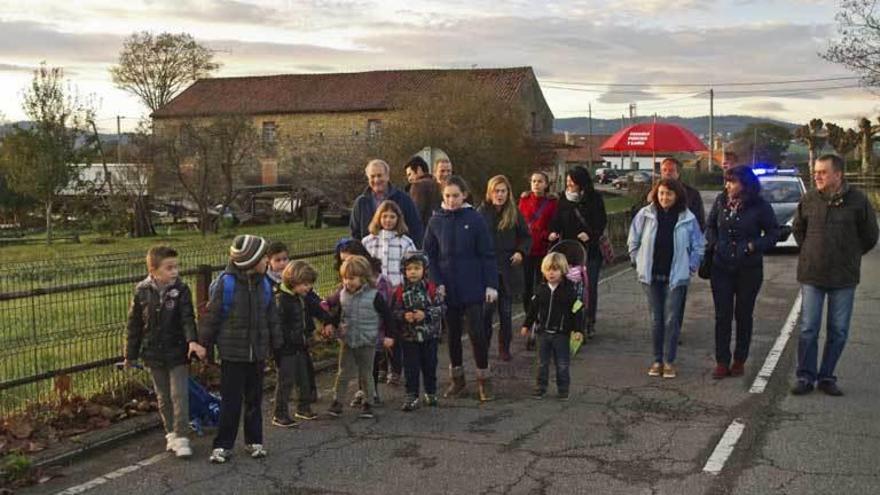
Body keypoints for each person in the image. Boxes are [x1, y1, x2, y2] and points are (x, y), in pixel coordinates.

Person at [791, 154, 878, 396]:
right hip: (812, 275)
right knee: (809, 328)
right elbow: (798, 229)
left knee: (838, 329)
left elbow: (870, 235)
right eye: (815, 172)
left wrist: (850, 255)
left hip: (844, 278)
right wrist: (810, 251)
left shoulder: (858, 201)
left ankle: (826, 377)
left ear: (838, 174)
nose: (816, 176)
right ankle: (805, 376)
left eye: (822, 172)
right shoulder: (809, 199)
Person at [200, 235, 282, 464]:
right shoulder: (226, 284)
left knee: (255, 400)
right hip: (232, 354)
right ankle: (223, 444)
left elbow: (271, 317)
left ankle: (254, 440)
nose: (267, 260)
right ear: (250, 261)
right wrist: (202, 344)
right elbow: (212, 317)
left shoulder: (264, 284)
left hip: (256, 353)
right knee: (231, 402)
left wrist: (277, 346)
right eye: (263, 257)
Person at [125, 246, 205, 458]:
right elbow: (134, 325)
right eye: (169, 268)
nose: (175, 272)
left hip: (177, 351)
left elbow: (187, 318)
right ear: (153, 270)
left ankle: (182, 436)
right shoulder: (141, 291)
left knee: (179, 394)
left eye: (176, 267)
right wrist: (130, 354)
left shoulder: (181, 290)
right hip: (153, 353)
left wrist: (192, 341)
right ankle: (170, 432)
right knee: (163, 396)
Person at [424, 175, 498, 401]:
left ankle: (484, 380)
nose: (451, 200)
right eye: (447, 196)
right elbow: (430, 255)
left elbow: (487, 254)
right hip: (448, 288)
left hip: (473, 285)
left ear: (464, 195)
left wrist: (491, 284)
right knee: (453, 335)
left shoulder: (475, 219)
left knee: (477, 333)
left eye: (455, 195)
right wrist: (437, 282)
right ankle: (458, 380)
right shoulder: (436, 221)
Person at [705, 166, 779, 379]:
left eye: (732, 181)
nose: (727, 185)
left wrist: (753, 246)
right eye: (726, 181)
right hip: (721, 267)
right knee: (722, 315)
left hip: (749, 269)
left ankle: (739, 359)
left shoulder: (760, 206)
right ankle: (721, 360)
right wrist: (715, 243)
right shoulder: (721, 201)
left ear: (745, 184)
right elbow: (710, 226)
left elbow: (773, 233)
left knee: (743, 315)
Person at [628, 179, 705, 379]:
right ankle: (657, 360)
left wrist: (691, 266)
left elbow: (698, 245)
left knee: (671, 320)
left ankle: (669, 361)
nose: (664, 197)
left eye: (669, 194)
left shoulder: (688, 218)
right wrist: (637, 260)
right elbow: (633, 240)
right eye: (661, 193)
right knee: (656, 319)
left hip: (676, 276)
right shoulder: (645, 215)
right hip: (651, 275)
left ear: (677, 195)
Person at [323, 256, 396, 419]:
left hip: (367, 340)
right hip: (348, 339)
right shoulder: (343, 294)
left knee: (366, 373)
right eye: (345, 278)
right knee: (343, 372)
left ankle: (368, 402)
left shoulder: (374, 296)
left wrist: (390, 336)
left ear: (363, 277)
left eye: (352, 278)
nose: (348, 282)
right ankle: (337, 402)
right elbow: (336, 314)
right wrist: (330, 325)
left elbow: (388, 316)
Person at [549, 166, 607, 338]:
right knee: (568, 286)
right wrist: (553, 231)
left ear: (581, 184)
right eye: (567, 183)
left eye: (572, 183)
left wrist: (590, 234)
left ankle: (589, 320)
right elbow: (557, 219)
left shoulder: (594, 199)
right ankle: (569, 319)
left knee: (589, 287)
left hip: (590, 250)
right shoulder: (563, 199)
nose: (569, 186)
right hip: (568, 248)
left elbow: (601, 221)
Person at [273, 260, 333, 425]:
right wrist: (288, 341)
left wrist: (327, 321)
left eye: (309, 285)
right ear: (294, 281)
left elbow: (317, 309)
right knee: (285, 381)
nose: (308, 288)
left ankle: (303, 407)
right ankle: (280, 413)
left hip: (301, 344)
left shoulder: (301, 297)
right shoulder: (281, 300)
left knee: (304, 377)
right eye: (305, 284)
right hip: (286, 348)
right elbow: (279, 326)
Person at [478, 175, 531, 361]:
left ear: (508, 193)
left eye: (503, 191)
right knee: (485, 313)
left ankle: (504, 348)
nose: (499, 195)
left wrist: (520, 252)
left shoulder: (514, 213)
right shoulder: (481, 213)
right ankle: (483, 346)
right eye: (496, 191)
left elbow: (526, 237)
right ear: (490, 192)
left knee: (506, 313)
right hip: (488, 269)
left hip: (508, 268)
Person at [520, 252, 583, 400]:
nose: (551, 273)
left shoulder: (569, 291)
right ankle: (540, 387)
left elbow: (577, 311)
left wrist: (578, 330)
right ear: (543, 271)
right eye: (548, 269)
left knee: (562, 363)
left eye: (555, 269)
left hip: (561, 333)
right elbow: (533, 310)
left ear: (562, 271)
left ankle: (563, 389)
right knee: (542, 363)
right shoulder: (540, 290)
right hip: (543, 333)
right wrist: (526, 325)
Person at [391, 251, 444, 411]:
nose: (412, 272)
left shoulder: (431, 289)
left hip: (429, 336)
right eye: (409, 269)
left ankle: (431, 391)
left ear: (424, 270)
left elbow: (442, 308)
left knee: (430, 365)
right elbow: (393, 311)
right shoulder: (399, 291)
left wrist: (426, 314)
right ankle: (411, 395)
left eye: (416, 268)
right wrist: (403, 315)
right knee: (411, 367)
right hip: (409, 338)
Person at [349, 159, 424, 248]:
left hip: (399, 256)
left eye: (379, 175)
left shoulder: (404, 199)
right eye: (372, 176)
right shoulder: (361, 203)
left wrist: (412, 257)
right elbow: (355, 234)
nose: (376, 180)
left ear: (387, 176)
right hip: (369, 255)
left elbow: (416, 229)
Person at [518, 171, 558, 319]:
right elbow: (519, 222)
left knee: (541, 284)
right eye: (534, 181)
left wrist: (548, 234)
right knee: (526, 286)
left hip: (543, 249)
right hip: (526, 249)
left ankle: (542, 313)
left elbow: (554, 224)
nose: (536, 184)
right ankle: (529, 314)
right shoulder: (524, 200)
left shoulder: (552, 203)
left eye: (540, 181)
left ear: (546, 184)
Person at [362, 200, 417, 289]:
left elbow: (413, 266)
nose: (388, 220)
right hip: (373, 290)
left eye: (392, 217)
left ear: (398, 219)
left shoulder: (406, 242)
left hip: (399, 289)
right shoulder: (367, 242)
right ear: (378, 218)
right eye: (384, 216)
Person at [404, 156, 440, 229]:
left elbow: (416, 214)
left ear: (419, 169)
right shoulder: (437, 184)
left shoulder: (417, 186)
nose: (409, 179)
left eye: (410, 174)